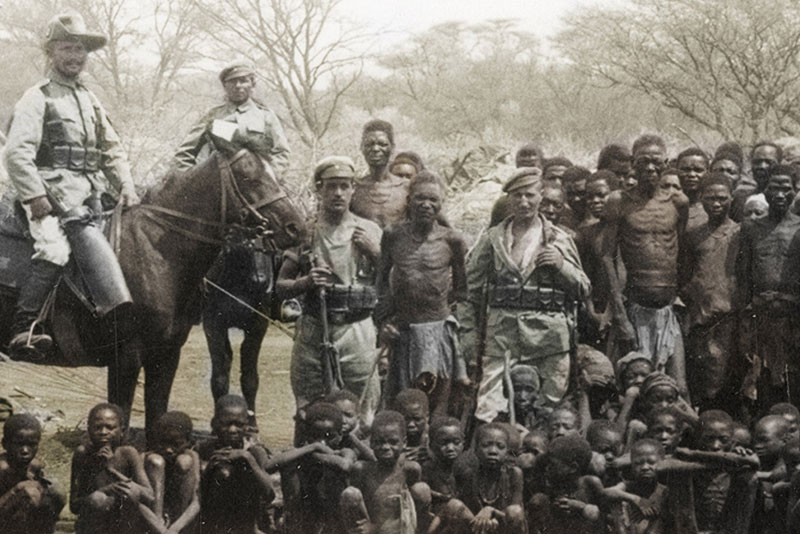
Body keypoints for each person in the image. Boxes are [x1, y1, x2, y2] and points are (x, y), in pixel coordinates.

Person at [4, 12, 139, 359]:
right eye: (67, 48)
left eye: (80, 50)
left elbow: (111, 148)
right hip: (50, 196)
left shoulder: (89, 99)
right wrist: (34, 195)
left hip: (91, 197)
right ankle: (26, 326)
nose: (75, 56)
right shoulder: (38, 97)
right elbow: (17, 153)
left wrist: (125, 183)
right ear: (51, 52)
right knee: (55, 250)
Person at [460, 166, 590, 424]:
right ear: (508, 199)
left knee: (547, 413)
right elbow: (467, 292)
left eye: (530, 195)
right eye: (517, 195)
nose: (523, 202)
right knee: (489, 411)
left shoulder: (557, 239)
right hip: (502, 340)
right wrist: (470, 336)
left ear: (541, 196)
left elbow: (583, 288)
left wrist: (562, 266)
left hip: (549, 341)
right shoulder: (493, 239)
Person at [276, 156, 382, 421]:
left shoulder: (368, 230)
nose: (338, 193)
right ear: (318, 189)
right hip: (315, 328)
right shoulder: (306, 232)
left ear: (353, 189)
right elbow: (281, 285)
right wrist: (306, 282)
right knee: (308, 404)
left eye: (345, 186)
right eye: (331, 186)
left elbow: (392, 281)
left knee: (362, 404)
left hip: (357, 329)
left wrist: (376, 253)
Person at [601, 134, 689, 393]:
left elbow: (678, 251)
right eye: (643, 162)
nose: (650, 168)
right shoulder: (619, 202)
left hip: (667, 310)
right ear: (632, 163)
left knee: (678, 388)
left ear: (666, 162)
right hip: (634, 310)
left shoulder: (678, 203)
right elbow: (607, 255)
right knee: (633, 387)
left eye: (656, 162)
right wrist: (619, 313)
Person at [377, 170, 469, 414]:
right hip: (403, 330)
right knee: (402, 402)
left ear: (441, 205)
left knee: (437, 401)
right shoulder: (393, 235)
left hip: (438, 332)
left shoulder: (453, 241)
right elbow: (381, 283)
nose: (426, 205)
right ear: (409, 201)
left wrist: (447, 326)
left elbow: (461, 292)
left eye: (433, 200)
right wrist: (385, 321)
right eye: (420, 198)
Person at [736, 165, 800, 412]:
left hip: (793, 316)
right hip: (760, 315)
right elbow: (743, 274)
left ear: (795, 190)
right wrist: (744, 317)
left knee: (793, 377)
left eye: (787, 188)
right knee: (760, 377)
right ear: (765, 189)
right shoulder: (751, 227)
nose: (780, 194)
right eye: (775, 188)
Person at [679, 172, 742, 412]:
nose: (716, 204)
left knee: (729, 380)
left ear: (732, 198)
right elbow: (685, 277)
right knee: (702, 381)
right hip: (701, 321)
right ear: (701, 199)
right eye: (710, 198)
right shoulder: (693, 236)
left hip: (730, 320)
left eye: (722, 198)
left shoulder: (740, 233)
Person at [173, 61, 290, 177]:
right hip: (221, 184)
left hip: (260, 186)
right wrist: (192, 178)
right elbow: (184, 152)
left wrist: (270, 176)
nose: (238, 86)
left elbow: (281, 152)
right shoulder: (213, 116)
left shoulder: (266, 116)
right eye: (232, 81)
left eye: (243, 81)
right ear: (225, 86)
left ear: (252, 84)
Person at [340, 410, 431, 534]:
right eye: (379, 442)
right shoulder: (362, 470)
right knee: (350, 494)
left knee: (422, 489)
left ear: (404, 443)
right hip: (367, 529)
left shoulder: (410, 470)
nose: (385, 447)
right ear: (371, 443)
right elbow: (352, 508)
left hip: (401, 530)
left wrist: (376, 528)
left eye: (393, 442)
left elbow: (410, 509)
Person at [69, 403, 153, 534]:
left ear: (122, 431)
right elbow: (74, 506)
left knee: (131, 492)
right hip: (93, 523)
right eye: (97, 427)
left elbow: (149, 496)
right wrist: (104, 490)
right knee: (98, 499)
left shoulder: (128, 453)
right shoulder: (83, 454)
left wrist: (112, 469)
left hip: (124, 524)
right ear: (88, 429)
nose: (103, 432)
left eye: (110, 428)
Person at [196, 395, 275, 534]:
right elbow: (196, 494)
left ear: (247, 425)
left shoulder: (254, 451)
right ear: (214, 423)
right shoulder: (203, 449)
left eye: (239, 424)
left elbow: (269, 493)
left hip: (245, 522)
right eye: (226, 424)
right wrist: (209, 468)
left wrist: (247, 458)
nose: (232, 430)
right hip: (212, 521)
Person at [437, 423, 526, 534]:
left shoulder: (514, 474)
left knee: (515, 511)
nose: (493, 451)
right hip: (475, 529)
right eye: (486, 445)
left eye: (500, 446)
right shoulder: (468, 474)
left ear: (507, 451)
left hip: (501, 528)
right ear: (476, 449)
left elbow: (516, 513)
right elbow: (450, 510)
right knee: (454, 505)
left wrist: (491, 511)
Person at [0, 414, 65, 534]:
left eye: (31, 445)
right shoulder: (2, 468)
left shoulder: (34, 466)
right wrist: (16, 490)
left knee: (56, 491)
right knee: (29, 493)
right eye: (19, 444)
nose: (25, 451)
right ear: (5, 444)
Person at [527, 435, 602, 534]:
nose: (547, 468)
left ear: (573, 468)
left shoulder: (589, 484)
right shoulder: (551, 485)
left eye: (552, 465)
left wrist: (581, 508)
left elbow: (604, 517)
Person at [142, 411, 200, 534]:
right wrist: (160, 528)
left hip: (179, 523)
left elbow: (197, 501)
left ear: (189, 442)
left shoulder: (192, 456)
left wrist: (174, 529)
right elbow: (138, 502)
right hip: (153, 523)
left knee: (185, 461)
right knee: (155, 462)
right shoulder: (145, 459)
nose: (168, 450)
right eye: (163, 443)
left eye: (176, 444)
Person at [350, 119, 409, 228]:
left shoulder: (406, 188)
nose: (376, 149)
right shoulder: (353, 189)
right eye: (369, 144)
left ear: (392, 148)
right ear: (362, 148)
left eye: (382, 144)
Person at [603, 439, 668, 534]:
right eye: (638, 463)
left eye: (651, 462)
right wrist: (636, 499)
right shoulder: (628, 486)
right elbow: (605, 492)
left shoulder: (665, 491)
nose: (645, 467)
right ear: (632, 466)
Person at [676, 147, 710, 233]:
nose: (691, 175)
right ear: (676, 171)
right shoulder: (666, 205)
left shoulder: (713, 209)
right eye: (685, 170)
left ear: (707, 173)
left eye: (698, 170)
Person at [393, 388, 431, 464]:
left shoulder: (436, 435)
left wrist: (430, 453)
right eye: (405, 419)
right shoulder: (391, 434)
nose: (411, 425)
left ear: (427, 416)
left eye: (417, 419)